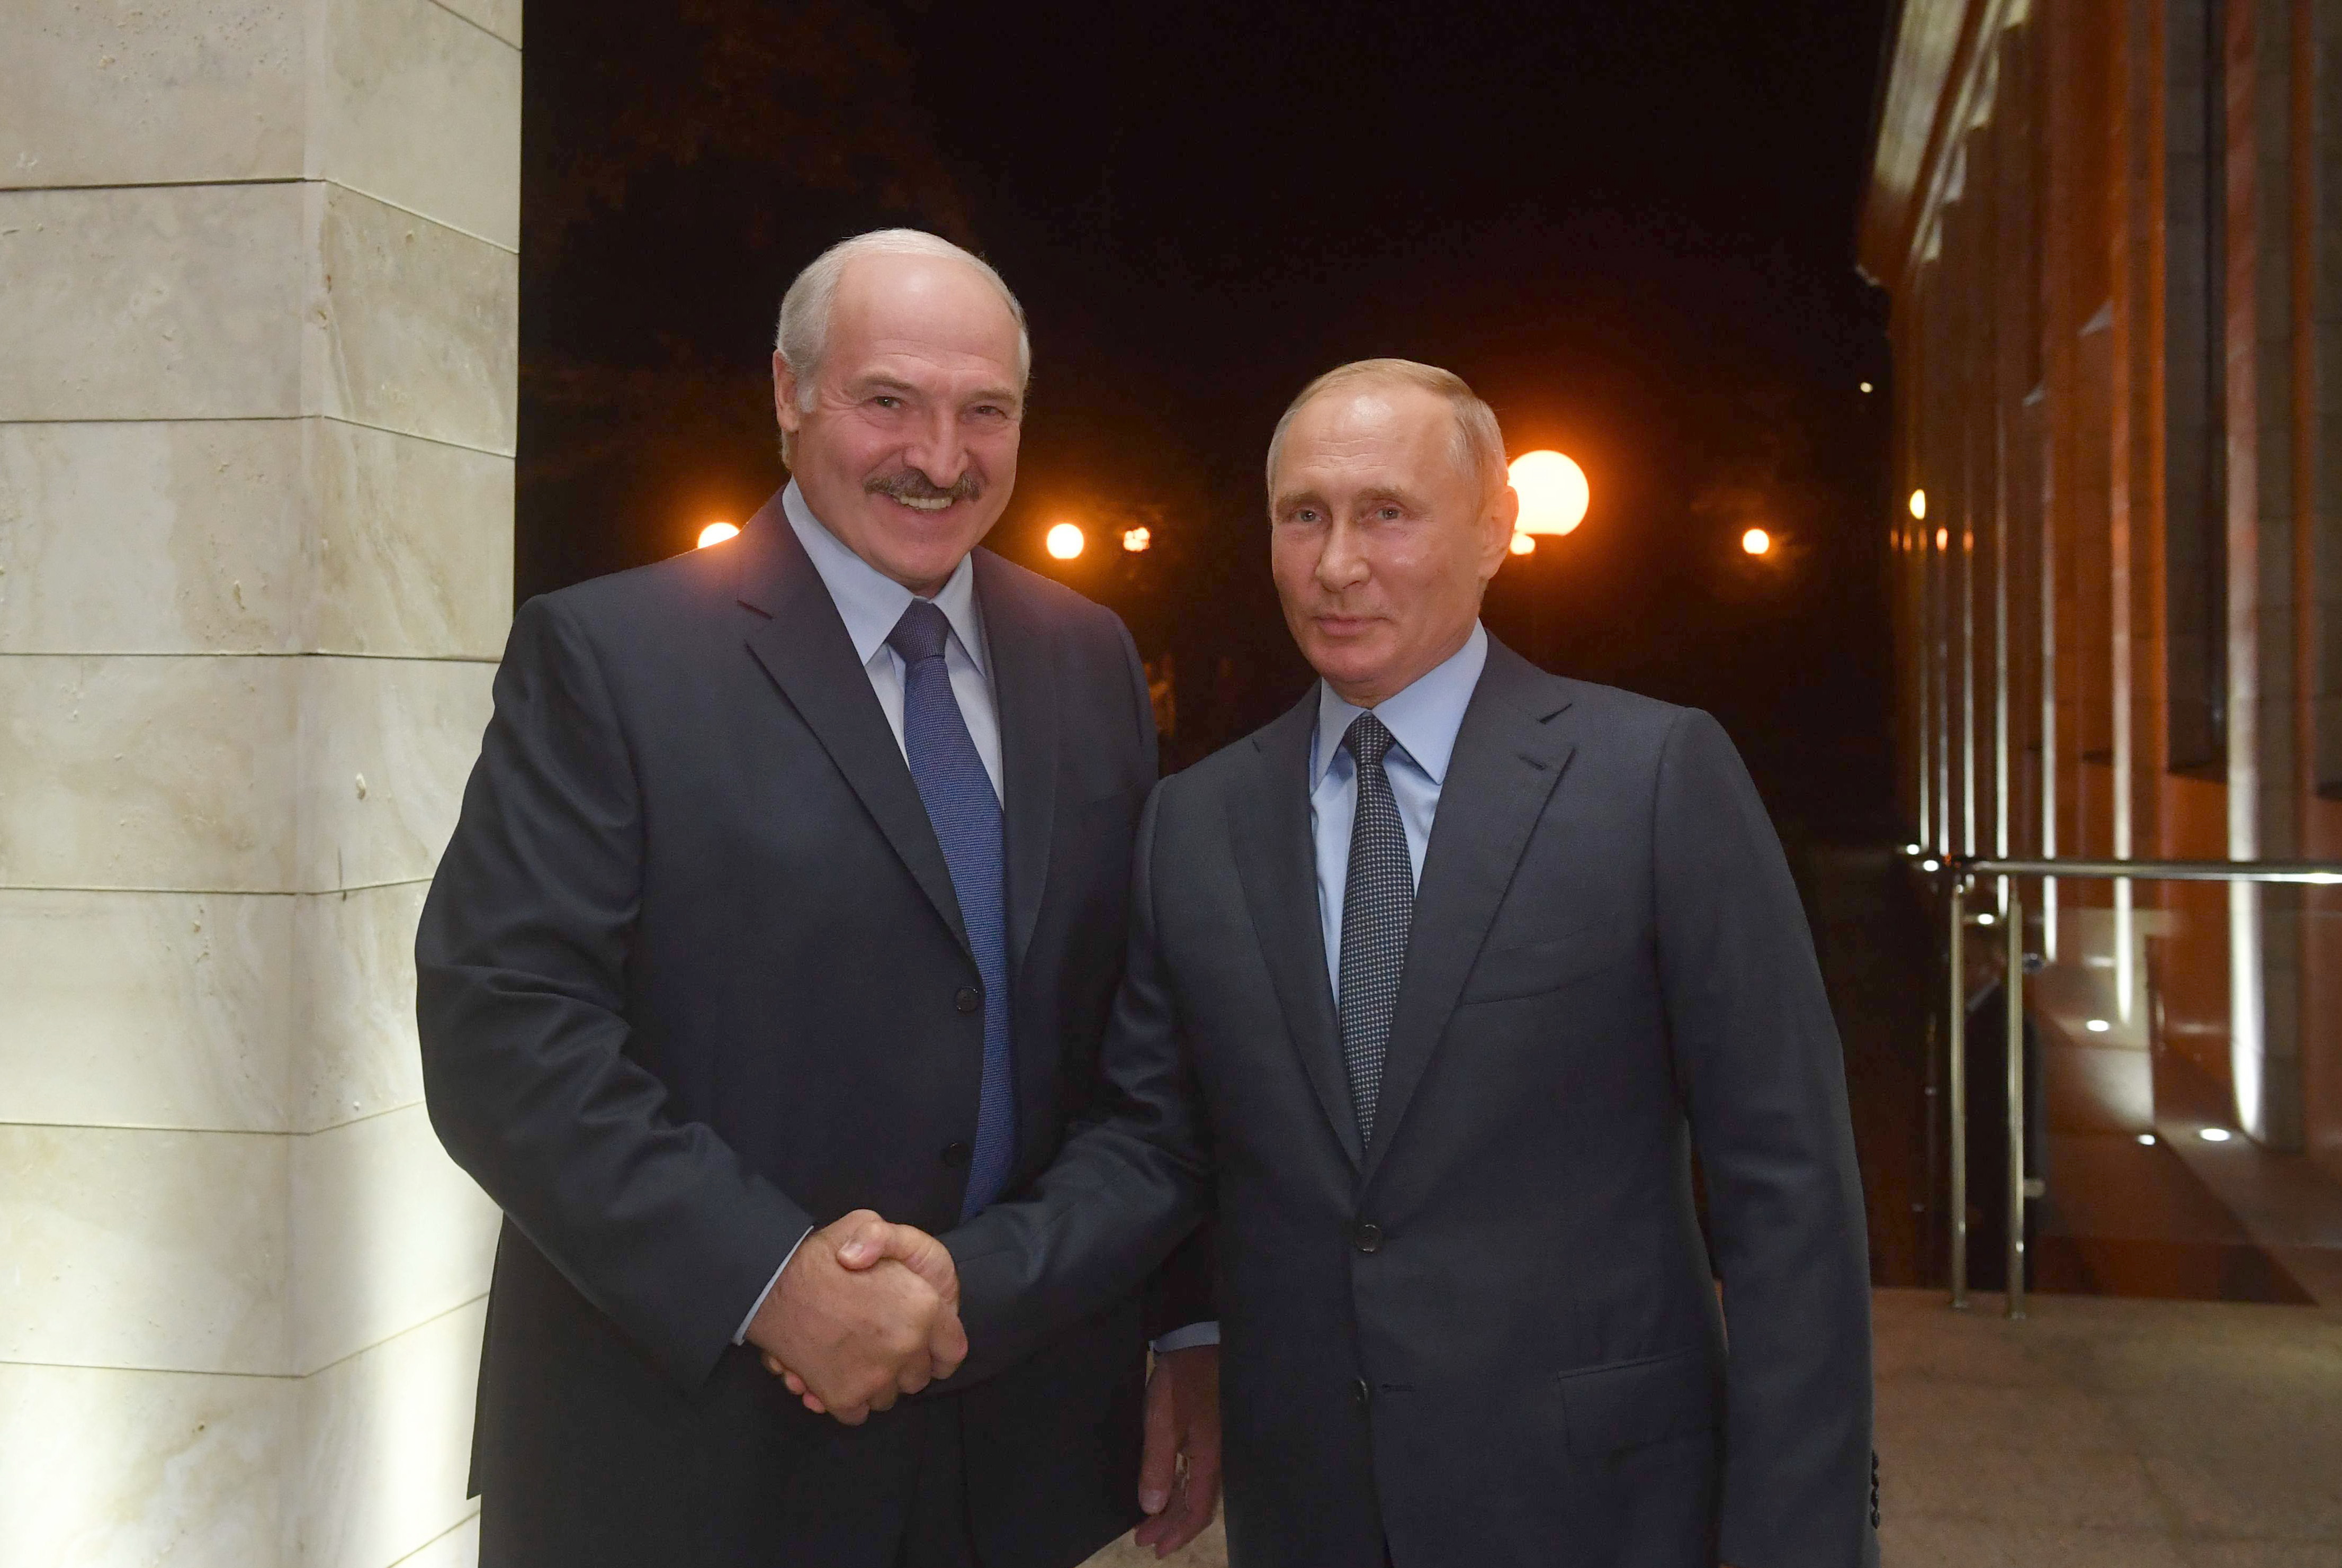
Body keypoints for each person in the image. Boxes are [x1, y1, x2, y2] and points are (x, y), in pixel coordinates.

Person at [828, 358, 1877, 1565]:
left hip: (1602, 1506)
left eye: (1387, 513)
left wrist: (1799, 1539)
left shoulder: (1652, 779)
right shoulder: (1197, 824)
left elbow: (1788, 1194)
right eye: (1303, 516)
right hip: (1312, 1506)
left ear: (1494, 530)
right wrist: (965, 1276)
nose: (1336, 564)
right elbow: (1153, 1144)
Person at [417, 229, 1218, 1568]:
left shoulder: (1089, 658)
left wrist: (1145, 1313)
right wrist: (770, 1278)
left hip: (1013, 1450)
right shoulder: (610, 656)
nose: (940, 456)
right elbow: (505, 1033)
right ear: (788, 392)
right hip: (683, 1462)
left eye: (985, 411)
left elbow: (1139, 1050)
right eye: (888, 399)